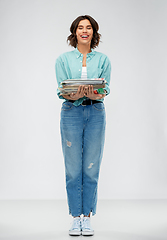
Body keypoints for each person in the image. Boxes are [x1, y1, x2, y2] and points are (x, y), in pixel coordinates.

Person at [55, 15, 111, 236]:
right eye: (81, 27)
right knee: (72, 169)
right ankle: (75, 217)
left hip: (96, 112)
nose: (84, 31)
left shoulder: (103, 59)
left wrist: (95, 92)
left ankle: (87, 216)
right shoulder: (63, 59)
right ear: (75, 32)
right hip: (71, 113)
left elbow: (105, 89)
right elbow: (61, 90)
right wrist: (74, 93)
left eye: (88, 28)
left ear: (94, 32)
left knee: (91, 167)